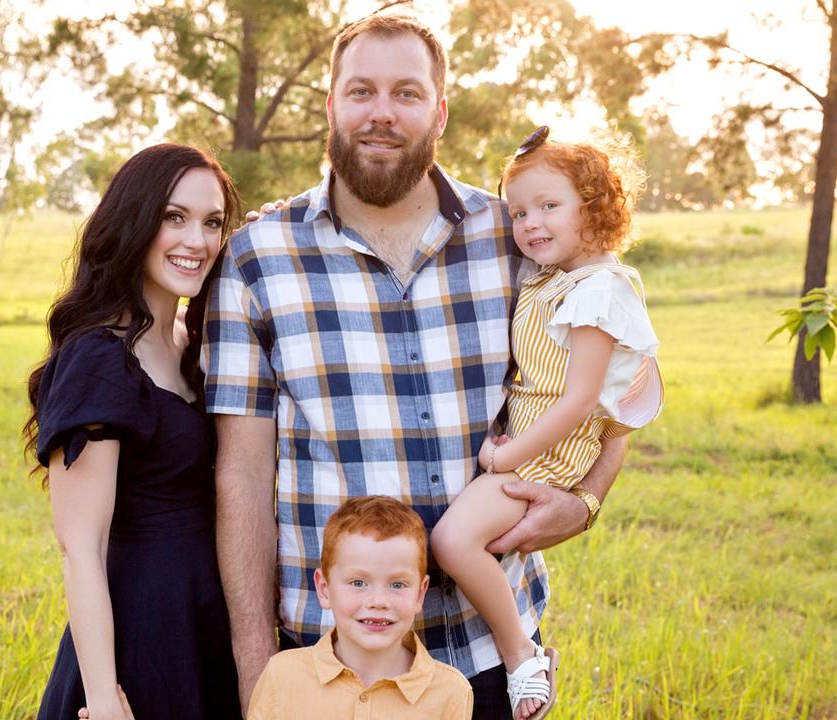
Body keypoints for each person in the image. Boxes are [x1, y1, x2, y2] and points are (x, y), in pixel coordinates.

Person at [203, 13, 629, 719]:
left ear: (439, 111)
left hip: (493, 649)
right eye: (361, 90)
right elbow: (242, 476)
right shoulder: (258, 258)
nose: (381, 113)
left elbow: (627, 377)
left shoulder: (518, 235)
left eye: (406, 93)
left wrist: (587, 499)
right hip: (327, 665)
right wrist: (258, 676)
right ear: (330, 103)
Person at [431, 127, 663, 720]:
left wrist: (509, 458)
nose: (531, 223)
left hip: (550, 452)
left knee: (453, 541)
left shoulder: (599, 291)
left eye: (549, 206)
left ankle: (521, 657)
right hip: (533, 434)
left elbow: (582, 399)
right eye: (519, 212)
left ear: (595, 207)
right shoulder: (551, 276)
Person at [24, 143, 242, 720]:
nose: (196, 240)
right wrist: (102, 696)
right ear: (135, 221)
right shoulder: (99, 358)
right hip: (141, 630)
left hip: (206, 620)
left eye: (212, 222)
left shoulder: (193, 345)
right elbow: (81, 548)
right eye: (175, 218)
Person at [247, 496, 473, 719]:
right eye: (358, 583)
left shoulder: (449, 692)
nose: (378, 601)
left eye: (397, 584)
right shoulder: (283, 676)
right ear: (324, 588)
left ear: (420, 594)